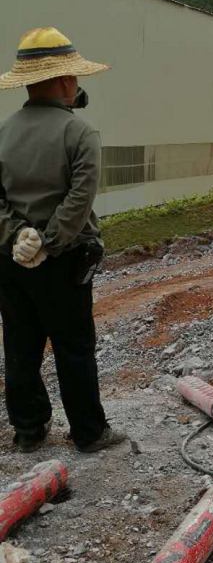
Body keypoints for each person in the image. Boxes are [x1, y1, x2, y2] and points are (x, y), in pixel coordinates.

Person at [0, 27, 126, 454]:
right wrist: (49, 243)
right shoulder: (80, 133)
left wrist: (19, 237)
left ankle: (29, 430)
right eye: (73, 77)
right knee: (73, 348)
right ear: (62, 81)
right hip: (65, 259)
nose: (76, 85)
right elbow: (79, 198)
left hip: (11, 261)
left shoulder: (3, 132)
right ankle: (89, 432)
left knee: (20, 345)